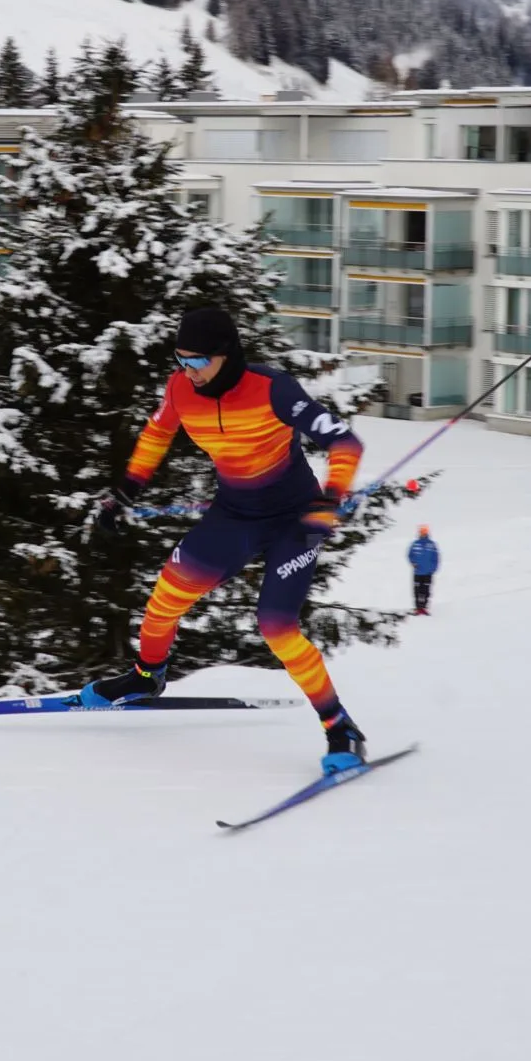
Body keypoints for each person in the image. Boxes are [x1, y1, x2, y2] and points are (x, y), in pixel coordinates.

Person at [83, 307, 367, 774]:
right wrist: (123, 493)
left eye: (198, 362)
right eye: (180, 360)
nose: (187, 372)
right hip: (235, 515)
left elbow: (344, 443)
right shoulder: (180, 389)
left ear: (226, 355)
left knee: (276, 626)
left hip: (296, 521)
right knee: (166, 596)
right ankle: (146, 677)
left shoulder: (272, 388)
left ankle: (340, 727)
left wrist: (331, 498)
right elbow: (156, 434)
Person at [407, 525, 439, 615]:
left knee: (426, 590)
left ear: (427, 533)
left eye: (424, 532)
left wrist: (433, 569)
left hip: (428, 573)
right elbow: (410, 555)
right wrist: (413, 563)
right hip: (418, 572)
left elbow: (436, 558)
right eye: (421, 532)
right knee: (417, 590)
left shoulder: (432, 544)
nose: (423, 534)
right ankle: (418, 608)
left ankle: (424, 607)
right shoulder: (415, 544)